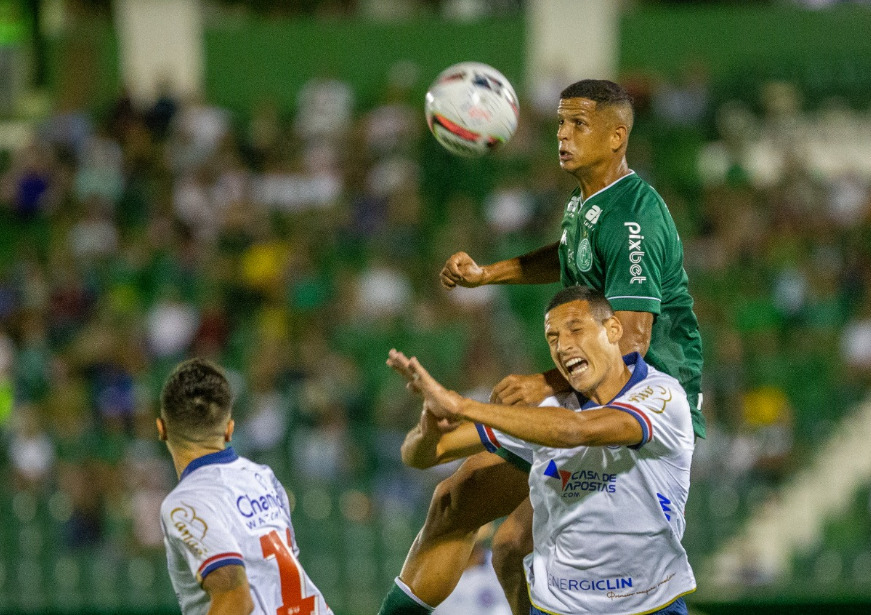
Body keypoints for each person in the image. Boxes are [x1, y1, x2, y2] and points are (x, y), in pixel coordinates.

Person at [377, 79, 704, 615]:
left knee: (496, 524)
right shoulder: (590, 203)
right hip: (590, 387)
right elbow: (572, 252)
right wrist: (488, 274)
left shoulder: (634, 216)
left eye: (578, 124)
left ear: (617, 136)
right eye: (560, 123)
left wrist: (546, 382)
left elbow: (633, 338)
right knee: (497, 536)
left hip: (639, 396)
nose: (563, 135)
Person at [389, 285, 696, 615]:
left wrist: (463, 406)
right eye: (553, 338)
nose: (563, 346)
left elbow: (577, 430)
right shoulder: (544, 411)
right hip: (557, 608)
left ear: (613, 330)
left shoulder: (661, 396)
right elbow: (421, 455)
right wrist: (428, 431)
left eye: (575, 330)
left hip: (650, 605)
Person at [157, 358, 333, 615]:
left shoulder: (185, 502)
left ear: (162, 429)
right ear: (229, 429)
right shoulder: (265, 478)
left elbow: (236, 598)